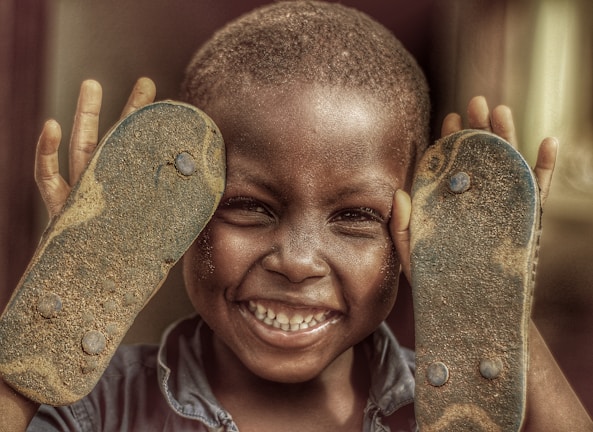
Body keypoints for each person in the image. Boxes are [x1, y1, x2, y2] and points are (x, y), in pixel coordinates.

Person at [1, 2, 591, 431]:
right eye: (250, 209)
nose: (299, 261)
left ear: (418, 231)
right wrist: (80, 274)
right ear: (177, 213)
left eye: (357, 217)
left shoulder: (454, 412)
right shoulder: (95, 410)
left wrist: (493, 307)